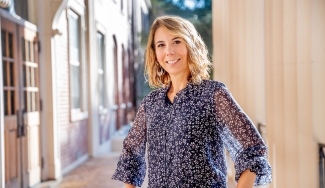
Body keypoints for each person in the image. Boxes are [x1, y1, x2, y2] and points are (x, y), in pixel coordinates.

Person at [112, 15, 272, 188]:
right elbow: (130, 154)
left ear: (190, 44)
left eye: (176, 41)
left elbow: (253, 149)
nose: (169, 51)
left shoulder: (213, 94)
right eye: (161, 45)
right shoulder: (150, 103)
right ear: (155, 53)